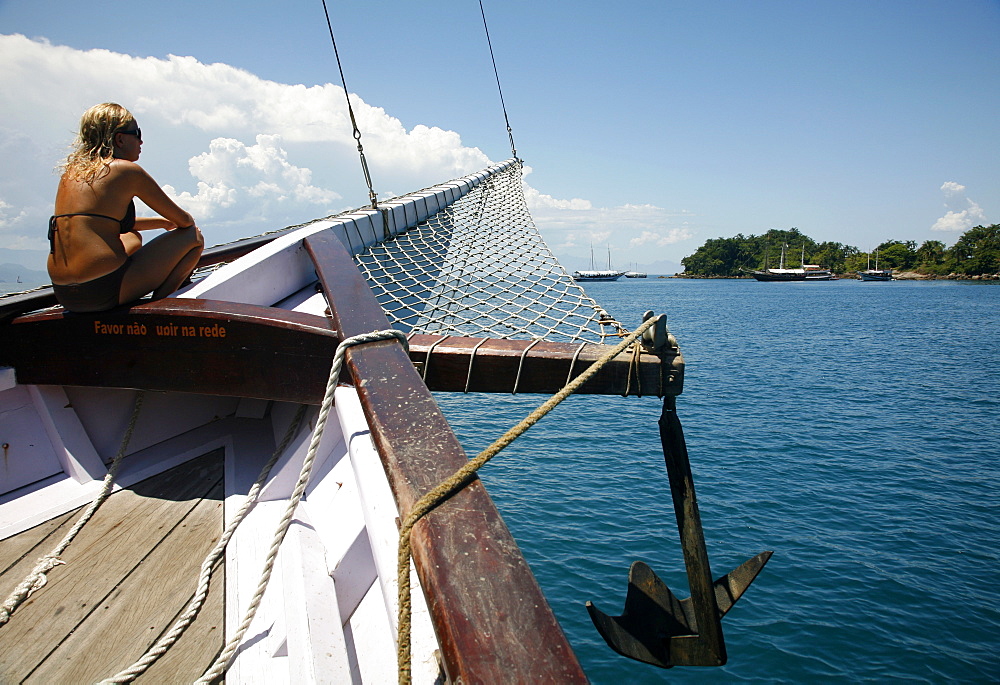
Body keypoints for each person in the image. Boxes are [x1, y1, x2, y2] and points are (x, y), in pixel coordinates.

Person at [47, 103, 204, 313]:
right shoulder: (126, 171)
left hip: (66, 295)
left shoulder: (70, 174)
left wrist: (162, 223)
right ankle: (161, 309)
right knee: (192, 237)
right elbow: (186, 221)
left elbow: (102, 222)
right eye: (137, 134)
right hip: (105, 291)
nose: (141, 141)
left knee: (132, 236)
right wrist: (175, 222)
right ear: (120, 139)